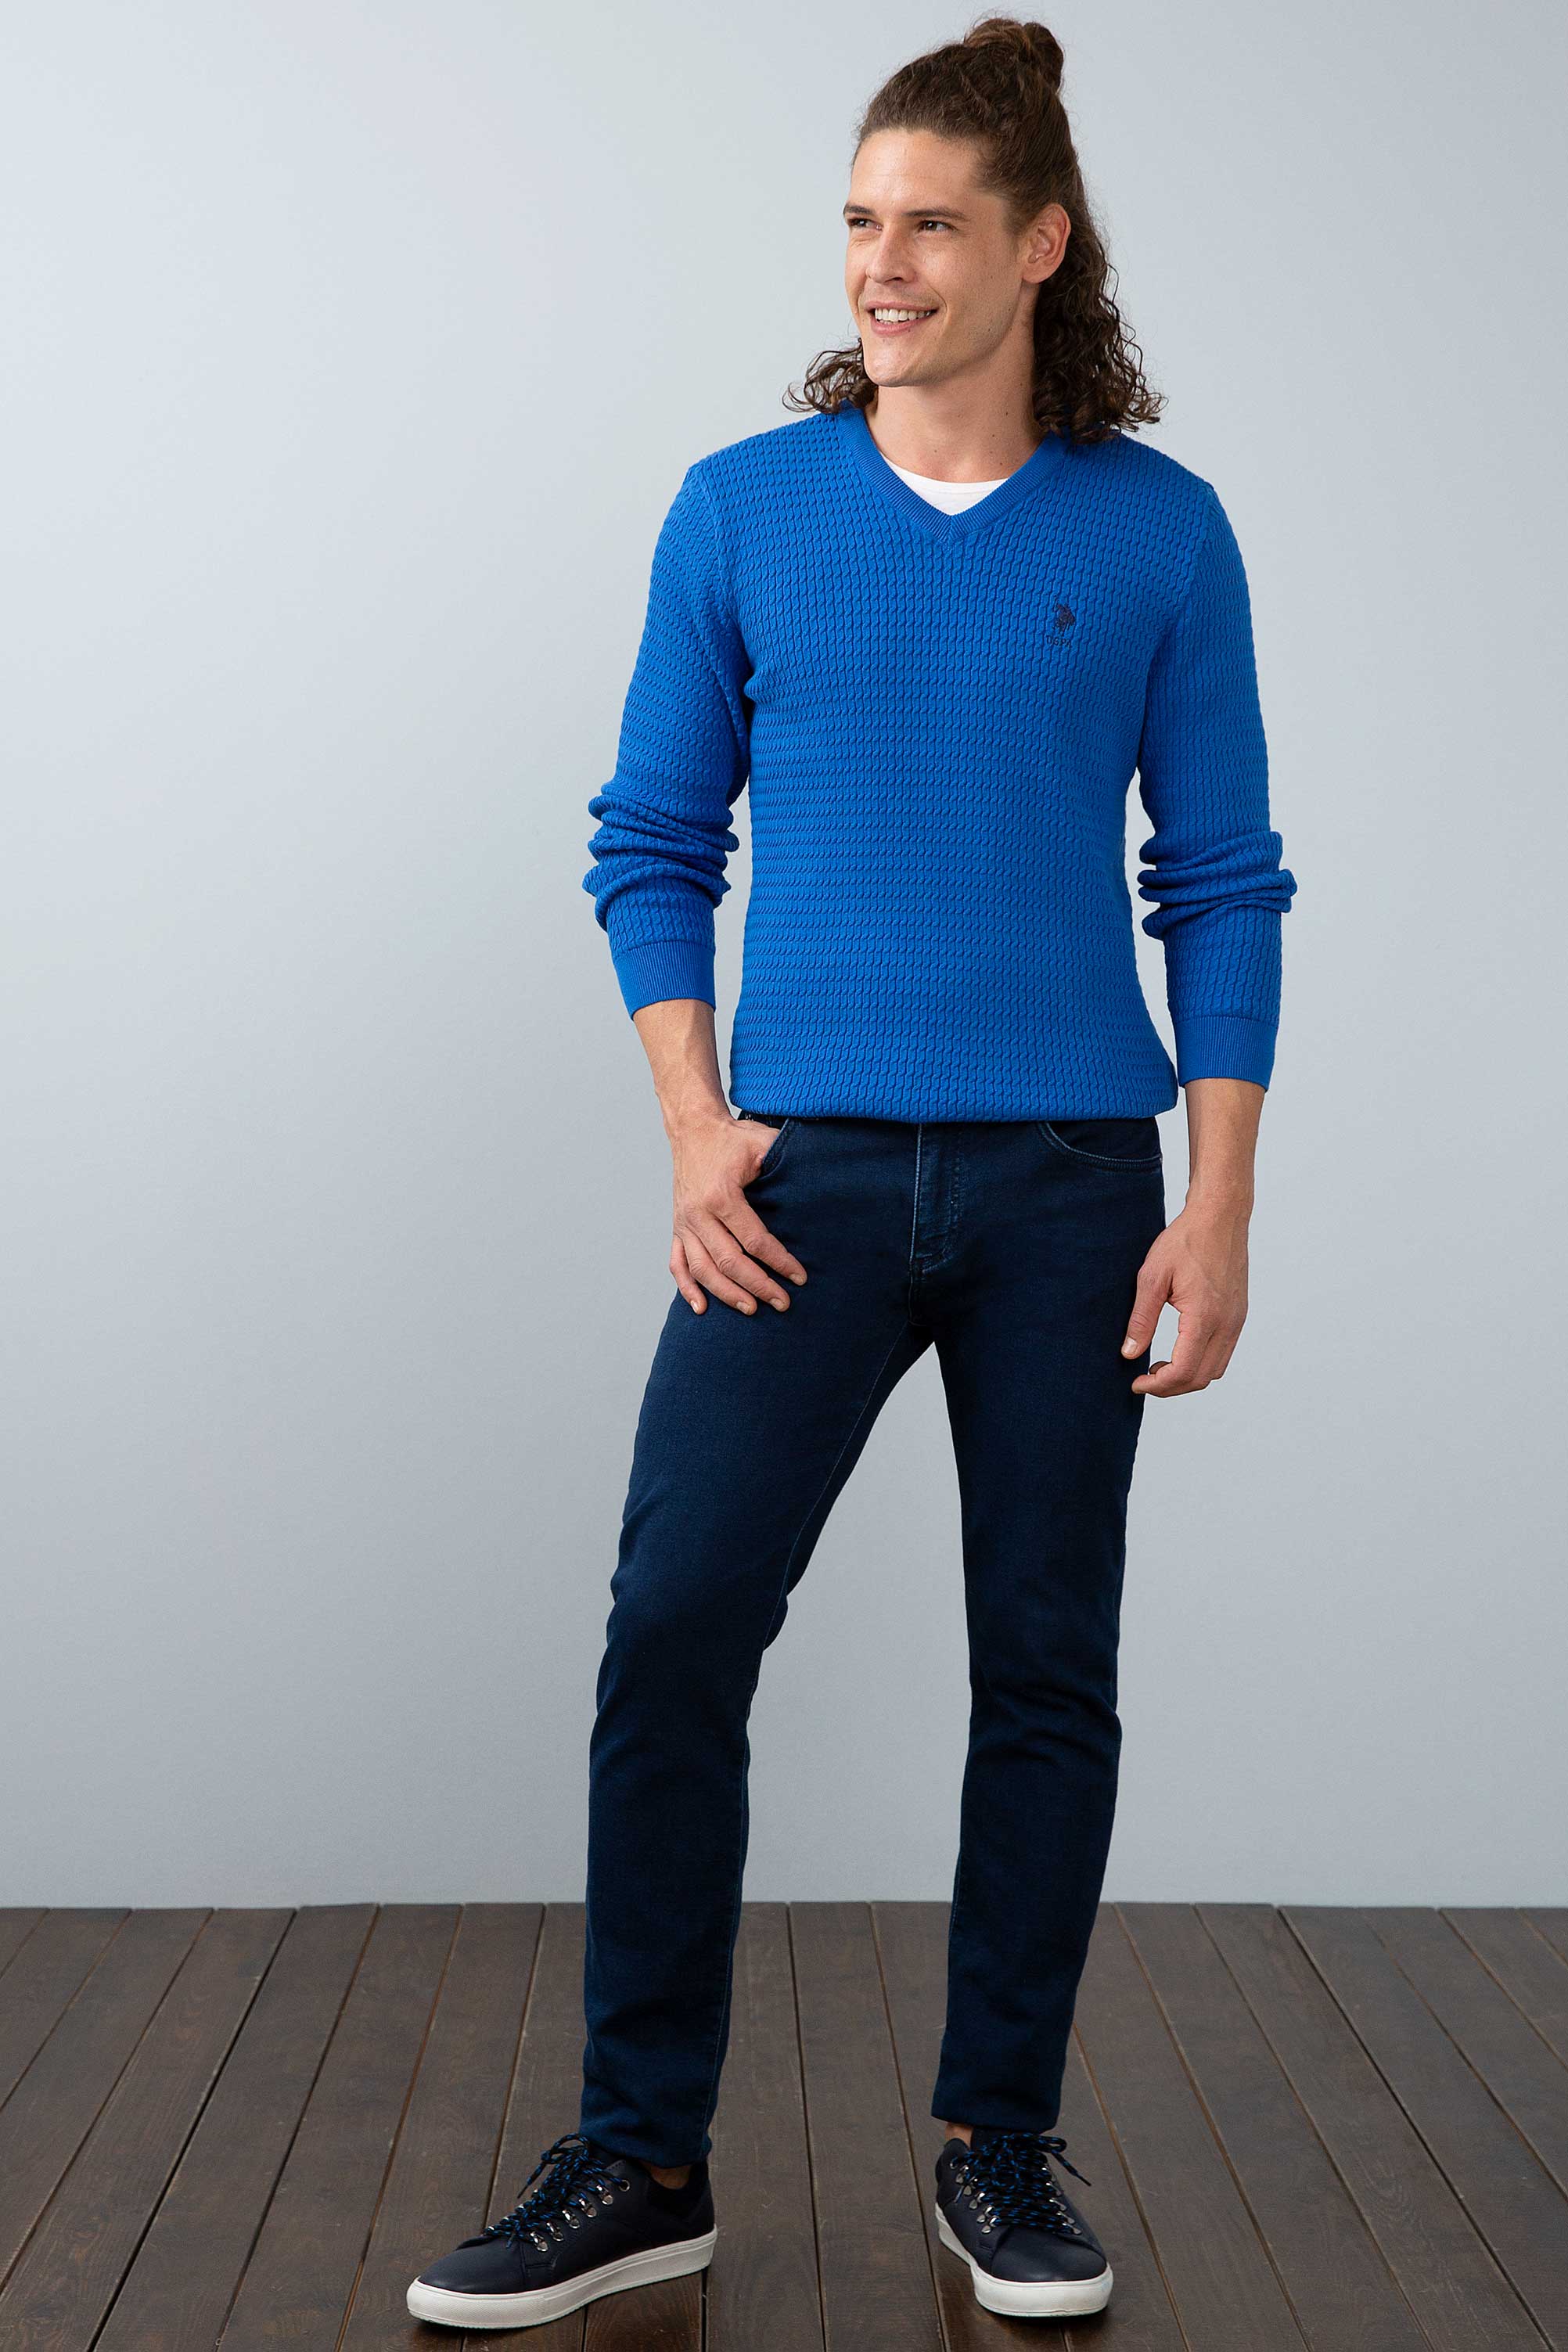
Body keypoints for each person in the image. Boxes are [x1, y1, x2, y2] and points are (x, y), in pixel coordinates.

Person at [408, 12, 1296, 2332]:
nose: (879, 264)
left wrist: (1216, 1202)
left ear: (1039, 246)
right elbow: (648, 841)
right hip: (793, 1186)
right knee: (674, 1631)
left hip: (1071, 1187)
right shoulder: (744, 510)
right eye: (858, 221)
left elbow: (1219, 880)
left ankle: (998, 2147)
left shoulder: (1160, 532)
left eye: (927, 223)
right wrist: (696, 1127)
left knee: (1047, 1667)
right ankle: (641, 2157)